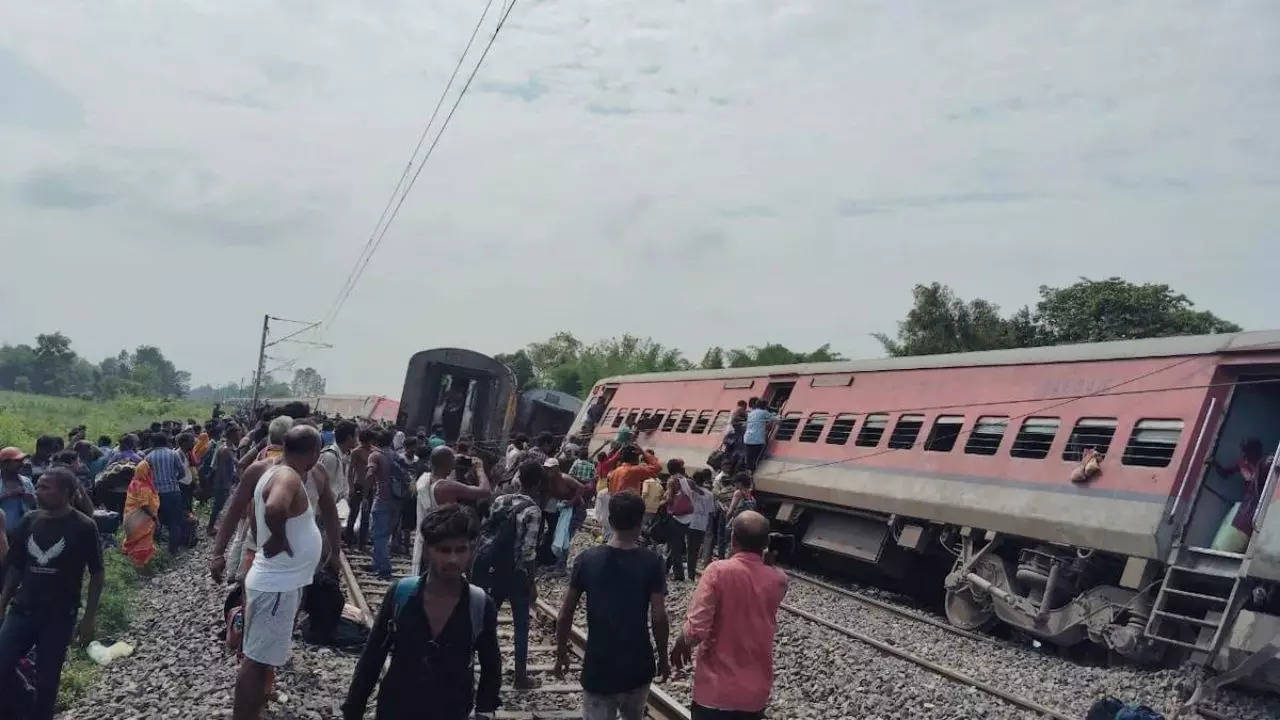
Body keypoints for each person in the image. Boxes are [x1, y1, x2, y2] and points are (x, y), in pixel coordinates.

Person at [342, 505, 500, 720]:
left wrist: (484, 711)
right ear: (427, 550)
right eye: (444, 550)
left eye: (460, 550)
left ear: (471, 550)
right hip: (396, 710)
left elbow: (491, 666)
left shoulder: (480, 604)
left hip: (451, 711)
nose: (453, 559)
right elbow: (372, 658)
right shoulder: (401, 595)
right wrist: (353, 709)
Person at [234, 425, 324, 720]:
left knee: (259, 661)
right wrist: (280, 538)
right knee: (256, 662)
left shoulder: (273, 472)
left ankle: (252, 713)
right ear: (313, 452)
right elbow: (274, 508)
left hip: (276, 583)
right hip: (276, 586)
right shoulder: (288, 475)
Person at [0, 467, 105, 720]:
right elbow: (16, 566)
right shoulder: (30, 521)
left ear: (66, 492)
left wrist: (89, 617)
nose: (38, 491)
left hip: (58, 616)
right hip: (22, 610)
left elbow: (97, 573)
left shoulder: (83, 526)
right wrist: (3, 601)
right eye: (38, 486)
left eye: (46, 487)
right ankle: (22, 703)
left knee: (47, 681)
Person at [555, 492, 669, 720]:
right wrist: (663, 658)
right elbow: (659, 617)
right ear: (640, 523)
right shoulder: (652, 562)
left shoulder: (587, 560)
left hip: (599, 665)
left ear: (609, 520)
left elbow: (566, 613)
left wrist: (561, 653)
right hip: (638, 664)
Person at [670, 511, 787, 719]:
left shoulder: (718, 571)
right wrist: (767, 563)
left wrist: (682, 641)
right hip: (755, 694)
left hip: (716, 692)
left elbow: (697, 630)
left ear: (733, 539)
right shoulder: (778, 579)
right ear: (766, 543)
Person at [477, 460, 546, 690]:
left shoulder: (500, 500)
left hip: (495, 571)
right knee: (520, 626)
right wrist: (532, 581)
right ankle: (520, 677)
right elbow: (528, 552)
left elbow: (485, 532)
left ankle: (472, 665)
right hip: (517, 575)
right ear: (537, 484)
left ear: (518, 478)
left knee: (486, 621)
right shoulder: (533, 510)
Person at [410, 446, 492, 575]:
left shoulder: (423, 480)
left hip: (425, 539)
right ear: (447, 463)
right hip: (444, 540)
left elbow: (439, 461)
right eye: (452, 460)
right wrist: (480, 468)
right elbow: (485, 491)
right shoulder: (446, 486)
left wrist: (451, 458)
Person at [1211, 438, 1276, 552]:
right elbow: (1226, 473)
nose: (1246, 455)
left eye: (1249, 451)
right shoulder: (1242, 463)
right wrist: (1214, 463)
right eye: (1245, 452)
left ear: (1257, 451)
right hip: (1246, 509)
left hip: (1262, 508)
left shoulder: (1266, 463)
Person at [146, 432, 190, 555]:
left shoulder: (148, 457)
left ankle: (156, 551)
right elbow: (182, 472)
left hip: (155, 494)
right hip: (172, 492)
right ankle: (173, 550)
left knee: (156, 521)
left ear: (153, 443)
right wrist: (174, 479)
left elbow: (146, 477)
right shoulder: (172, 454)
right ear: (165, 441)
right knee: (174, 522)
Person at [366, 429, 396, 579]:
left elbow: (370, 473)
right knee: (384, 534)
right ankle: (377, 563)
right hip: (396, 500)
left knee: (378, 535)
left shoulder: (376, 455)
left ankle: (384, 568)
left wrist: (364, 493)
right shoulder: (395, 454)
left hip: (382, 498)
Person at [208, 424, 243, 535]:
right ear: (232, 435)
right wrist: (226, 484)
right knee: (218, 506)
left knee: (219, 506)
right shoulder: (225, 450)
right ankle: (210, 528)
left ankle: (213, 527)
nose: (240, 436)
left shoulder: (227, 449)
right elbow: (221, 470)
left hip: (224, 483)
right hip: (222, 484)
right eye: (238, 434)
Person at [344, 428, 376, 547]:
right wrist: (351, 487)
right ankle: (349, 539)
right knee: (354, 513)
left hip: (370, 488)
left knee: (366, 516)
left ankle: (362, 542)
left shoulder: (374, 452)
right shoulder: (356, 452)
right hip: (359, 486)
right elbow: (351, 471)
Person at [0, 447, 36, 532]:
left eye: (22, 461)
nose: (22, 464)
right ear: (4, 464)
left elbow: (34, 507)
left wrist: (32, 500)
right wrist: (7, 495)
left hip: (22, 534)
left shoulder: (26, 481)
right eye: (17, 461)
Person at [708, 459, 738, 562]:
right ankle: (721, 556)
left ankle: (722, 556)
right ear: (722, 466)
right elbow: (716, 496)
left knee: (724, 534)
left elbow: (718, 495)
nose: (729, 468)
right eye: (727, 466)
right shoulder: (719, 479)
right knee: (723, 535)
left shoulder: (727, 478)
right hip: (722, 510)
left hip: (725, 510)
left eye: (729, 466)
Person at [742, 398, 777, 471]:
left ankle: (747, 470)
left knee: (749, 457)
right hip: (757, 440)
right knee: (756, 457)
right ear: (765, 406)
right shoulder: (764, 412)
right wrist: (775, 415)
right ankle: (751, 471)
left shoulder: (751, 413)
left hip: (747, 438)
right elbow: (775, 419)